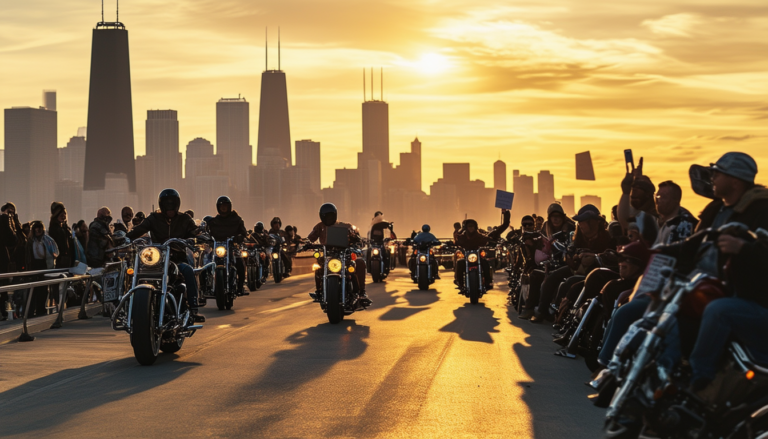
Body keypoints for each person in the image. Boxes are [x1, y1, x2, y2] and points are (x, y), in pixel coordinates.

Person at [659, 153, 768, 391]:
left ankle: (698, 379)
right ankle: (663, 375)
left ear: (736, 181)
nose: (713, 178)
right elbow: (696, 243)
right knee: (668, 305)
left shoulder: (762, 210)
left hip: (755, 300)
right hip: (718, 287)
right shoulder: (717, 209)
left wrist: (743, 249)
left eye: (718, 173)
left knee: (718, 310)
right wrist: (660, 251)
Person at [522, 204, 615, 321]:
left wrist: (592, 256)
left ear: (592, 222)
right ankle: (542, 311)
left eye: (583, 221)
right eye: (580, 222)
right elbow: (571, 252)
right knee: (552, 277)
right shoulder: (578, 236)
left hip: (594, 272)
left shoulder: (606, 237)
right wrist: (572, 256)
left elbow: (609, 256)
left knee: (569, 283)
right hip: (578, 268)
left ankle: (561, 315)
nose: (580, 225)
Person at [127, 189, 205, 322]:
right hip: (157, 260)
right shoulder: (153, 218)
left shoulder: (184, 219)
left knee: (188, 271)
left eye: (172, 204)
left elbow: (194, 231)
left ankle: (193, 309)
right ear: (162, 205)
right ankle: (131, 306)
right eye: (166, 204)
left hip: (177, 258)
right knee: (137, 273)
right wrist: (126, 237)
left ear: (177, 205)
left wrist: (198, 236)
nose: (169, 207)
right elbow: (140, 229)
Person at [307, 203, 370, 306]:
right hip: (327, 256)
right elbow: (310, 238)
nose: (329, 218)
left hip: (344, 255)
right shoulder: (319, 227)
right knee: (318, 267)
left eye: (331, 215)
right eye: (326, 215)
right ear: (322, 216)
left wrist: (358, 239)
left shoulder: (345, 226)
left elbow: (356, 235)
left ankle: (361, 292)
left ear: (335, 215)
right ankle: (319, 291)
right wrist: (306, 244)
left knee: (359, 263)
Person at [454, 209, 510, 291]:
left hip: (478, 257)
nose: (471, 228)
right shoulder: (461, 237)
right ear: (466, 228)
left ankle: (488, 282)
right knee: (459, 263)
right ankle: (460, 283)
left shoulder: (481, 236)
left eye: (472, 226)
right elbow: (456, 242)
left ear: (475, 227)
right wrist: (453, 243)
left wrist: (506, 213)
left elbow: (501, 228)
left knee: (485, 263)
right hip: (467, 257)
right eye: (469, 226)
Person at [207, 196, 248, 295]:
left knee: (239, 263)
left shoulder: (237, 219)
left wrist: (239, 237)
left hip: (232, 247)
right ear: (218, 207)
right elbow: (208, 232)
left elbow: (243, 233)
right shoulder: (214, 221)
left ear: (229, 206)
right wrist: (207, 238)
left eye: (225, 206)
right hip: (218, 248)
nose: (223, 208)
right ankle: (207, 286)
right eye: (221, 206)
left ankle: (240, 286)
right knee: (207, 262)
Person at [24, 221, 59, 317]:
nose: (38, 230)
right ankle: (30, 312)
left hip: (45, 265)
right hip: (33, 267)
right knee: (32, 290)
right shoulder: (30, 241)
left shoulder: (47, 240)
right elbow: (27, 256)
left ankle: (41, 310)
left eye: (40, 228)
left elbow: (55, 251)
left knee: (43, 290)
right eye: (36, 229)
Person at [653, 180, 698, 247]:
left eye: (664, 197)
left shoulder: (685, 224)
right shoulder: (662, 222)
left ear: (676, 200)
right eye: (657, 196)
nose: (659, 200)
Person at [48, 202, 75, 268]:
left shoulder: (65, 228)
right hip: (61, 260)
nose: (63, 216)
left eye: (64, 213)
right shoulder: (55, 229)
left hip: (68, 259)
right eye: (61, 214)